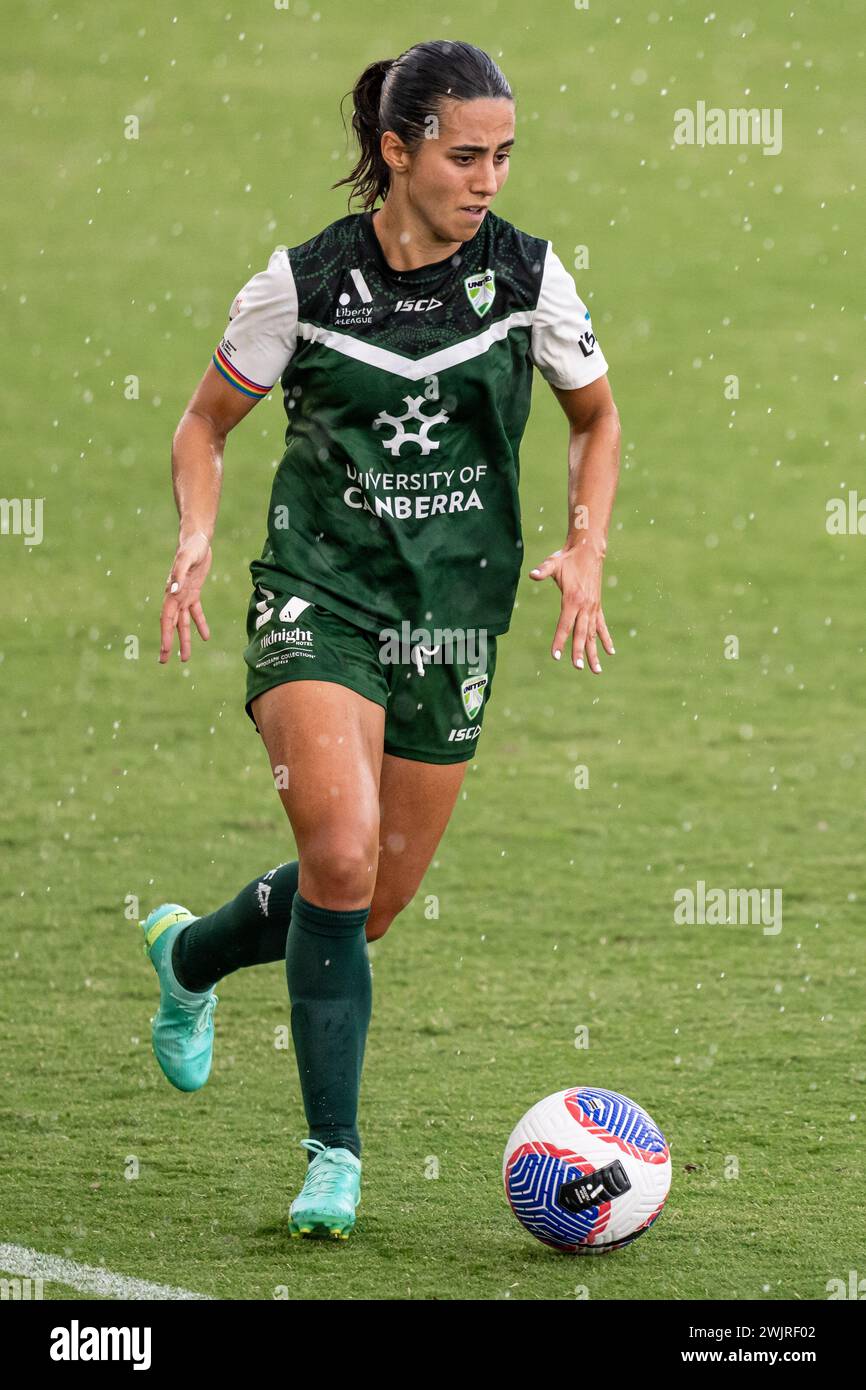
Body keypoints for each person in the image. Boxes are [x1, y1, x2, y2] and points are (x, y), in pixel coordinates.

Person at [140, 38, 620, 1242]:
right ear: (396, 150)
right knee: (341, 860)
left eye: (504, 155)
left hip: (452, 619)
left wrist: (585, 547)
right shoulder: (301, 285)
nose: (488, 178)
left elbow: (595, 419)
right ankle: (333, 1155)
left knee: (369, 901)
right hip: (319, 595)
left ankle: (192, 956)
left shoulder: (528, 279)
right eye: (465, 154)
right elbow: (204, 424)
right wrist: (198, 534)